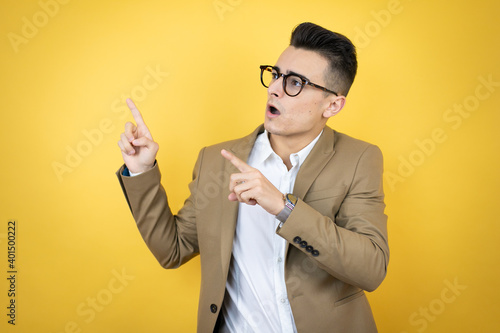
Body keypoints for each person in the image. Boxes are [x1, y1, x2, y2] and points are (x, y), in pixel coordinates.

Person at [116, 22, 389, 333]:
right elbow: (173, 249)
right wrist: (141, 170)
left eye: (295, 82)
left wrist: (283, 207)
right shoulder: (218, 160)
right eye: (276, 74)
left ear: (333, 104)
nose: (274, 88)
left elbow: (370, 269)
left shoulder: (358, 159)